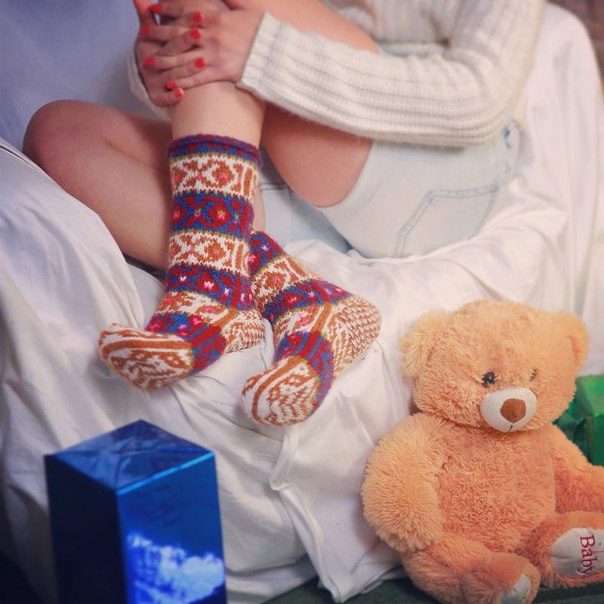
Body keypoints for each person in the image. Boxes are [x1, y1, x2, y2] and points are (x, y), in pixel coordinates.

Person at [22, 0, 543, 425]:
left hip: (439, 165)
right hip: (298, 154)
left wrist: (258, 52)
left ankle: (211, 293)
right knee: (61, 134)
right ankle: (288, 291)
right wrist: (161, 69)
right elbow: (219, 77)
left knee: (210, 11)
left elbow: (477, 100)